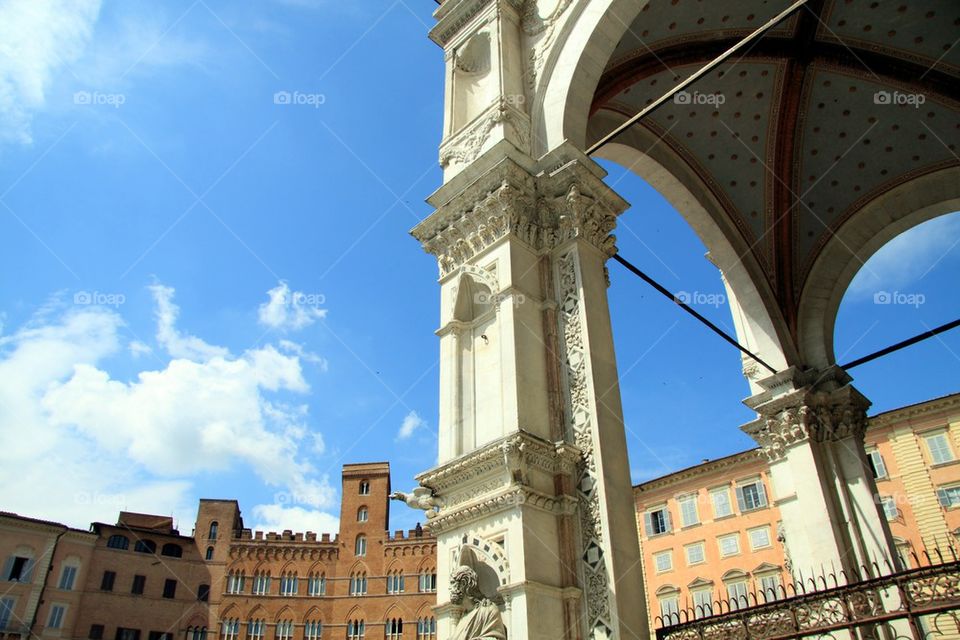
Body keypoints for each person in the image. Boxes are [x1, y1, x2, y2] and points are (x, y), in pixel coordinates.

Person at [449, 566, 507, 640]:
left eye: (453, 583)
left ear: (464, 583)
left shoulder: (489, 611)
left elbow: (497, 638)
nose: (450, 588)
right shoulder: (463, 616)